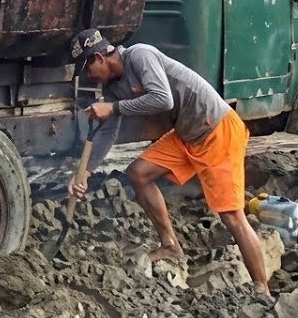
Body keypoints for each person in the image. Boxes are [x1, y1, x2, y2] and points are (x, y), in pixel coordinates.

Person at [66, 28, 270, 296]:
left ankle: (263, 291)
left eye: (88, 69)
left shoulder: (140, 56)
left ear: (100, 58)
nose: (89, 77)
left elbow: (163, 98)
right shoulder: (114, 86)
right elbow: (108, 131)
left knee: (232, 217)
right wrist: (85, 172)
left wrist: (113, 108)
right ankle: (170, 245)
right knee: (138, 173)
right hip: (187, 135)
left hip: (216, 130)